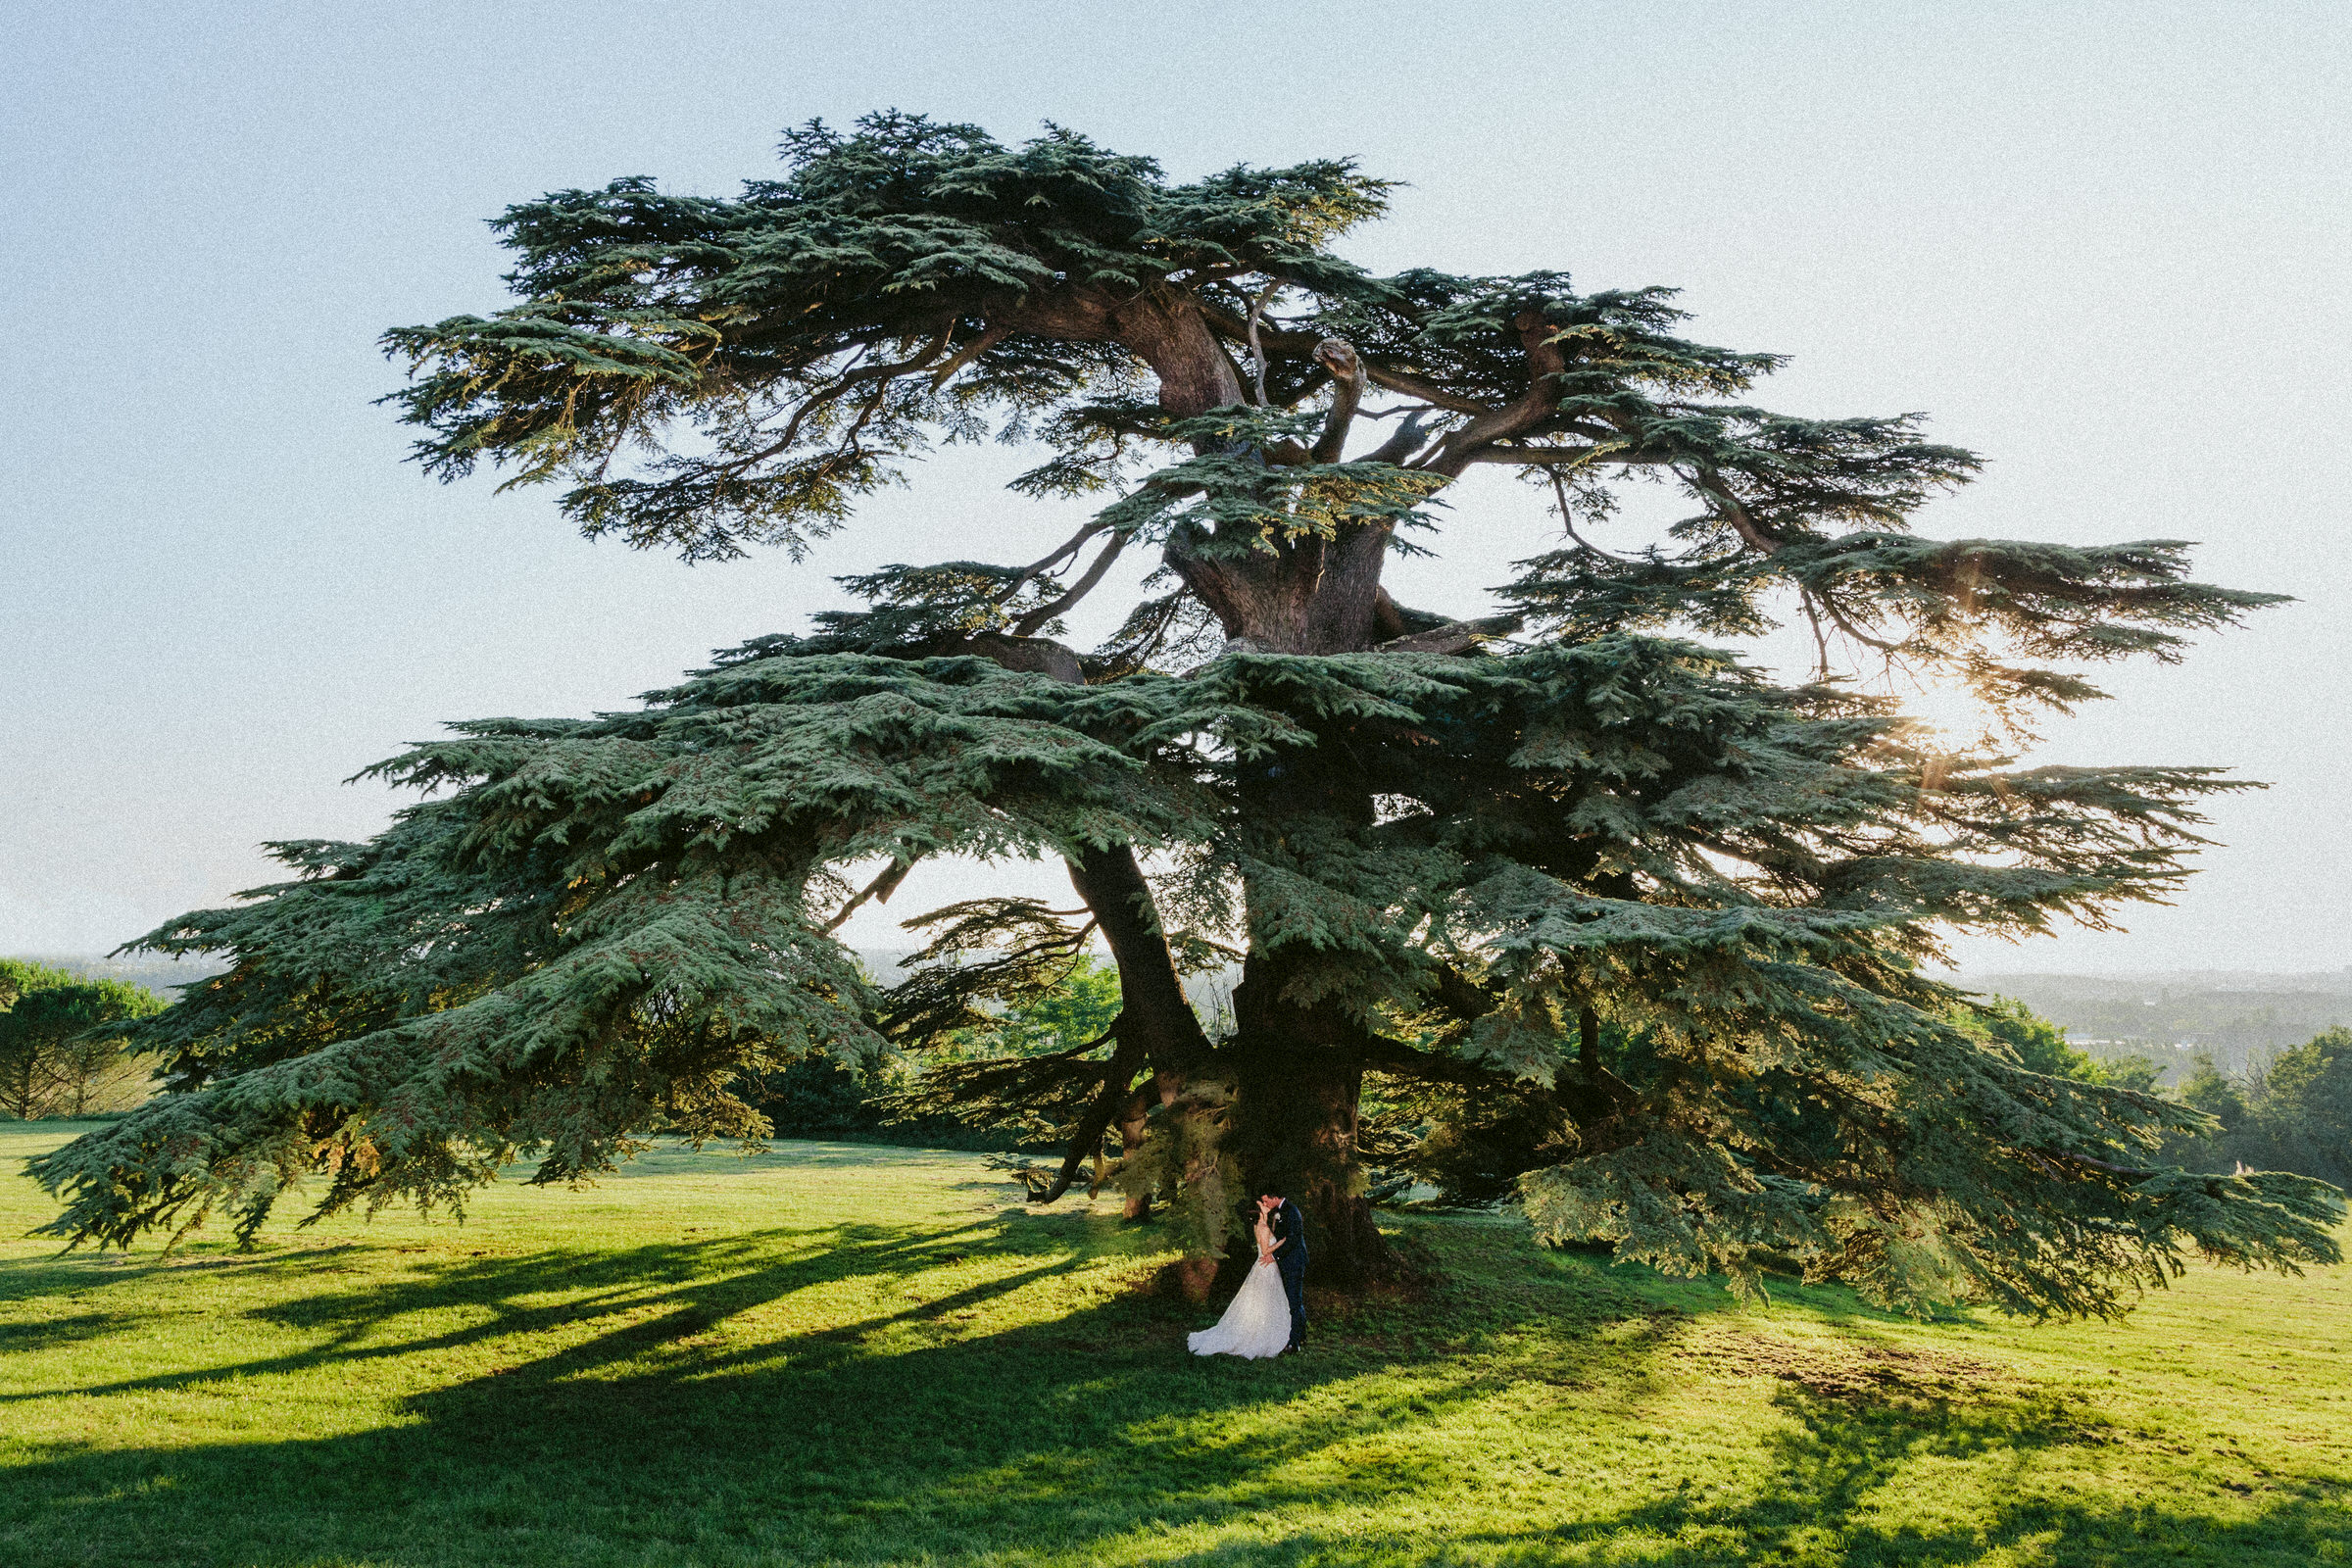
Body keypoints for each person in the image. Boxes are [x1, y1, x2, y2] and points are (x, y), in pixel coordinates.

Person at [1185, 1199, 1292, 1358]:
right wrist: (1282, 1242)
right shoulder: (1261, 1227)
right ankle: (1262, 1333)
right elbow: (1265, 1249)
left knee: (1267, 1300)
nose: (1267, 1206)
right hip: (1266, 1266)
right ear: (1260, 1212)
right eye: (1264, 1206)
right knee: (1263, 1300)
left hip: (1266, 1267)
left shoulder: (1262, 1226)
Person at [1259, 1192, 1308, 1352]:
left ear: (1275, 1197)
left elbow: (1293, 1238)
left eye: (1266, 1199)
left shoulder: (1291, 1211)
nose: (1264, 1202)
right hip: (1286, 1262)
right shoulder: (1278, 1211)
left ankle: (1294, 1343)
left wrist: (1274, 1255)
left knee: (1295, 1302)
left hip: (1294, 1262)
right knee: (1293, 1301)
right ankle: (1300, 1335)